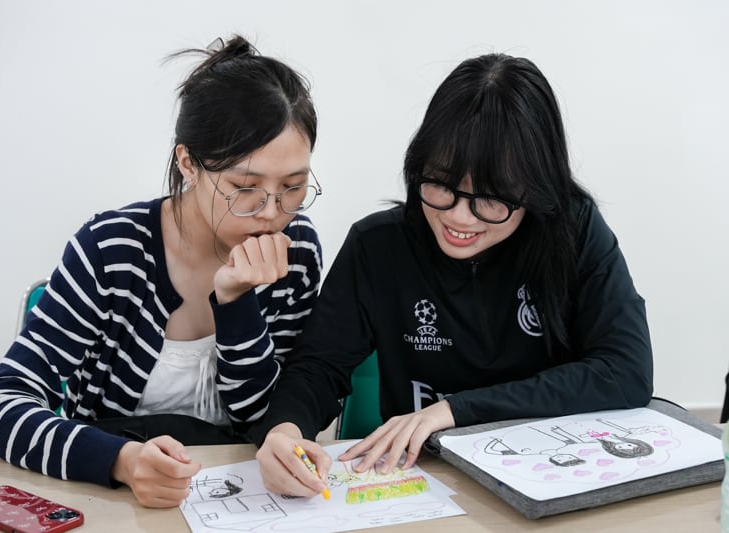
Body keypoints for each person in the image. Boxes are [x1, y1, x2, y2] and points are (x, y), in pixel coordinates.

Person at [248, 52, 653, 498]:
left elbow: (625, 370)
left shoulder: (574, 233)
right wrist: (284, 431)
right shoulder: (378, 246)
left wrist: (452, 411)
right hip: (422, 486)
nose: (459, 218)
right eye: (440, 184)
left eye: (491, 198)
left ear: (536, 189)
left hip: (556, 477)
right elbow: (318, 367)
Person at [0, 35, 323, 508]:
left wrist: (237, 304)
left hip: (241, 503)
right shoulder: (112, 250)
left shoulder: (296, 250)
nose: (272, 213)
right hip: (110, 498)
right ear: (188, 163)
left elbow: (265, 420)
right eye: (244, 187)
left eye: (293, 187)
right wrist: (122, 461)